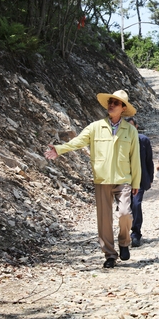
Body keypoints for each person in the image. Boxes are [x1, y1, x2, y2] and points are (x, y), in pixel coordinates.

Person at [44, 90, 141, 269]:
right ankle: (110, 255)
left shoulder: (130, 131)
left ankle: (124, 242)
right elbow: (78, 142)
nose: (111, 105)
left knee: (125, 213)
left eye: (116, 103)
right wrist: (59, 149)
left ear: (123, 108)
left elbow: (135, 157)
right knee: (104, 220)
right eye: (110, 102)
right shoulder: (95, 127)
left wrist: (136, 182)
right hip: (102, 179)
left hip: (123, 179)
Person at [125, 117, 154, 247]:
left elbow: (149, 161)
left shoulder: (143, 141)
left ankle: (136, 233)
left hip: (140, 179)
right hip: (123, 180)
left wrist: (150, 178)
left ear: (136, 127)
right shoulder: (120, 141)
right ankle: (124, 233)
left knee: (136, 204)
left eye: (132, 126)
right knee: (125, 208)